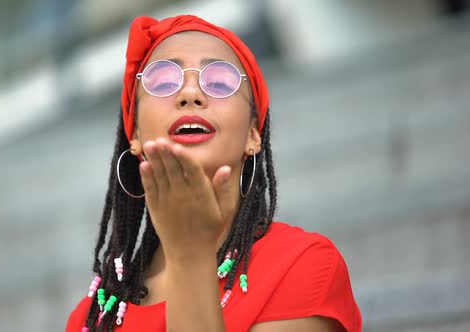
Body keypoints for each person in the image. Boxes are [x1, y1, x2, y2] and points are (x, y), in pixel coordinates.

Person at [66, 15, 362, 332]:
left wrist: (190, 254)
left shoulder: (302, 264)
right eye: (164, 81)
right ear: (134, 133)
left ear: (253, 134)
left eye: (220, 82)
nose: (190, 93)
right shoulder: (93, 316)